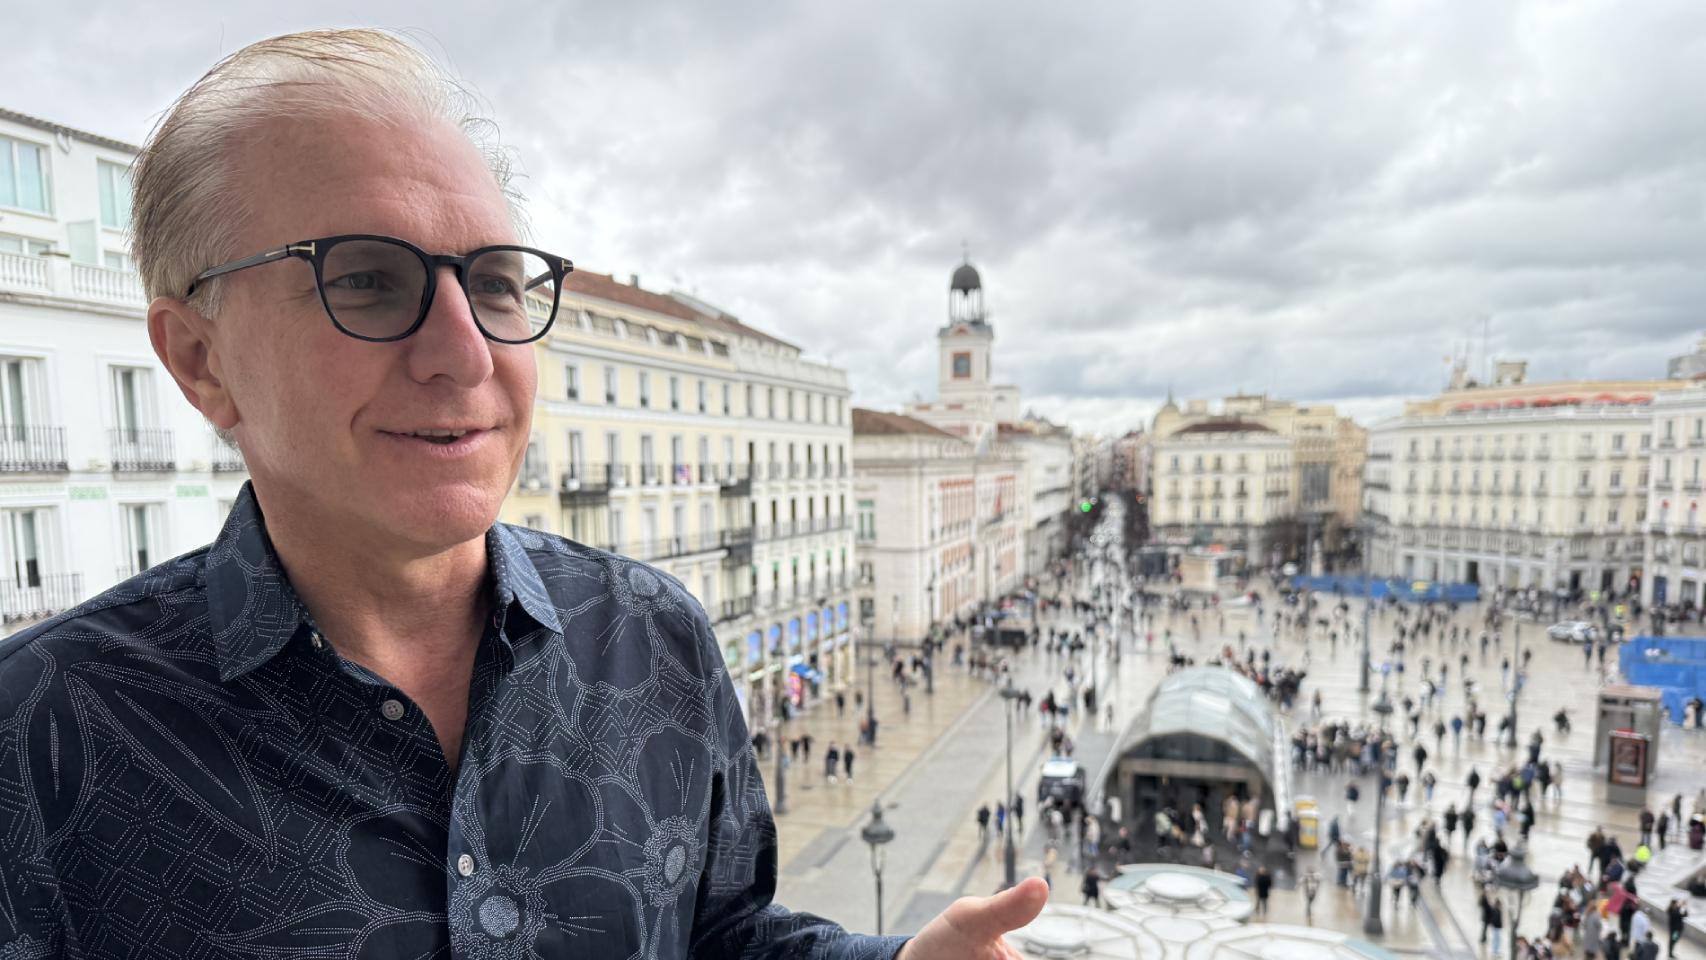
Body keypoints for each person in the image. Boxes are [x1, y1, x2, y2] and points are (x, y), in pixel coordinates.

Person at [0, 29, 1050, 959]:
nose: (467, 353)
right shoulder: (42, 735)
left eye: (495, 283)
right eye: (366, 278)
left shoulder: (654, 636)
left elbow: (719, 934)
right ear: (200, 359)